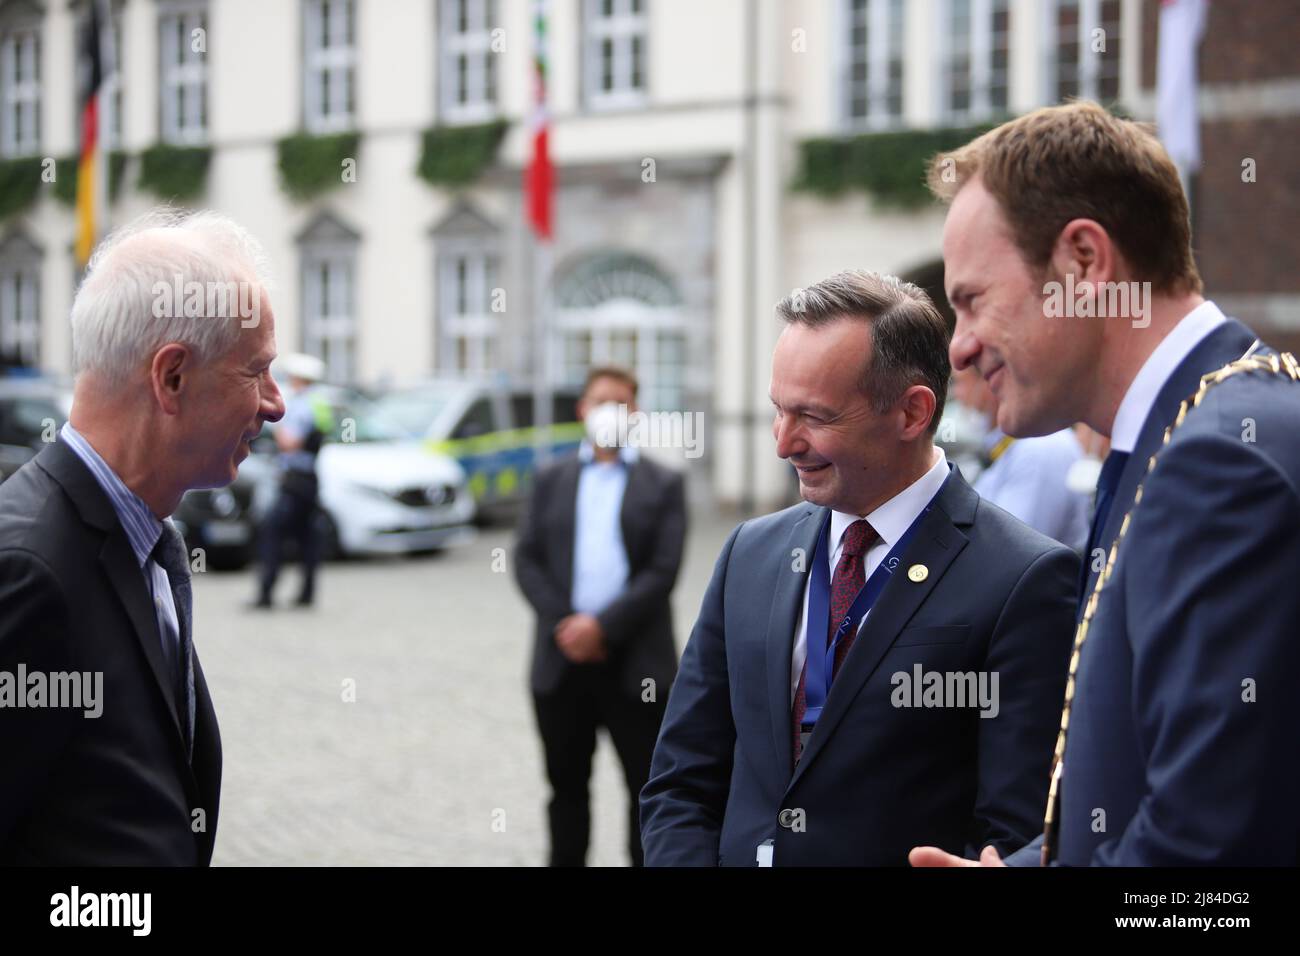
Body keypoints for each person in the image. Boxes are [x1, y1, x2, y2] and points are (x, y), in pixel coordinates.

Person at [911, 101, 1300, 867]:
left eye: (971, 301)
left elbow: (1206, 862)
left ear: (1084, 263)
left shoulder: (1217, 463)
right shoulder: (1192, 433)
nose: (956, 350)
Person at [640, 271, 1078, 866]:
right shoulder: (750, 553)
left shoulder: (1024, 579)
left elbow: (1014, 830)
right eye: (778, 409)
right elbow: (681, 780)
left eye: (814, 416)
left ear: (912, 413)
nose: (783, 442)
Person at [0, 210, 284, 864]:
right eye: (255, 371)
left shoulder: (150, 538)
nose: (276, 403)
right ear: (172, 377)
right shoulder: (28, 568)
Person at [515, 366, 687, 866]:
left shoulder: (663, 482)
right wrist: (568, 623)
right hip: (560, 661)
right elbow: (526, 558)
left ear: (635, 414)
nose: (609, 412)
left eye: (621, 402)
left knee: (645, 791)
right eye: (599, 402)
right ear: (582, 411)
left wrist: (601, 627)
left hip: (638, 667)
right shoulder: (551, 477)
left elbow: (662, 570)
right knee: (565, 790)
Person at [950, 365, 1091, 551]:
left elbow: (1005, 550)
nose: (958, 394)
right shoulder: (1013, 446)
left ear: (989, 380)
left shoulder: (1041, 447)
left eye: (960, 382)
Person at [253, 352, 332, 609]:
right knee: (308, 537)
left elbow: (289, 444)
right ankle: (307, 593)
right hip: (310, 479)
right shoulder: (321, 402)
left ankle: (266, 593)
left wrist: (275, 426)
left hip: (294, 481)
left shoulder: (300, 405)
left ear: (299, 379)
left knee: (273, 532)